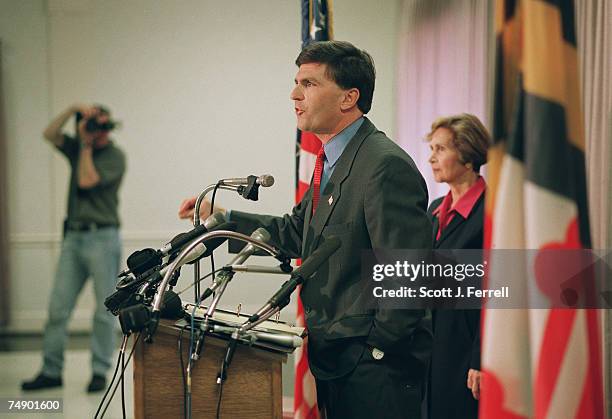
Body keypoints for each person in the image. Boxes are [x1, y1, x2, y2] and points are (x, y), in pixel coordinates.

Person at [179, 41, 433, 418]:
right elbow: (297, 233)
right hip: (336, 356)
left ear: (349, 98)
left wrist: (377, 349)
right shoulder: (331, 160)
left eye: (309, 84)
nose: (294, 95)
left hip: (374, 367)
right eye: (297, 82)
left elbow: (408, 273)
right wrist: (224, 218)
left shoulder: (383, 165)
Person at [22, 104, 126, 393]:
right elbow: (49, 132)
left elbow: (86, 180)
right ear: (84, 127)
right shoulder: (77, 147)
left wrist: (87, 146)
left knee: (104, 310)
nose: (102, 132)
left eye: (106, 126)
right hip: (74, 238)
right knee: (58, 308)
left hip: (103, 238)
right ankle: (51, 371)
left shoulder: (115, 156)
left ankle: (98, 371)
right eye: (96, 126)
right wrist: (72, 110)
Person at [425, 113, 490, 418]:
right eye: (431, 149)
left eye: (440, 149)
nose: (431, 158)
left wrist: (482, 359)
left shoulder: (492, 211)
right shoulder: (434, 209)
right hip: (431, 344)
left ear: (466, 156)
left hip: (468, 351)